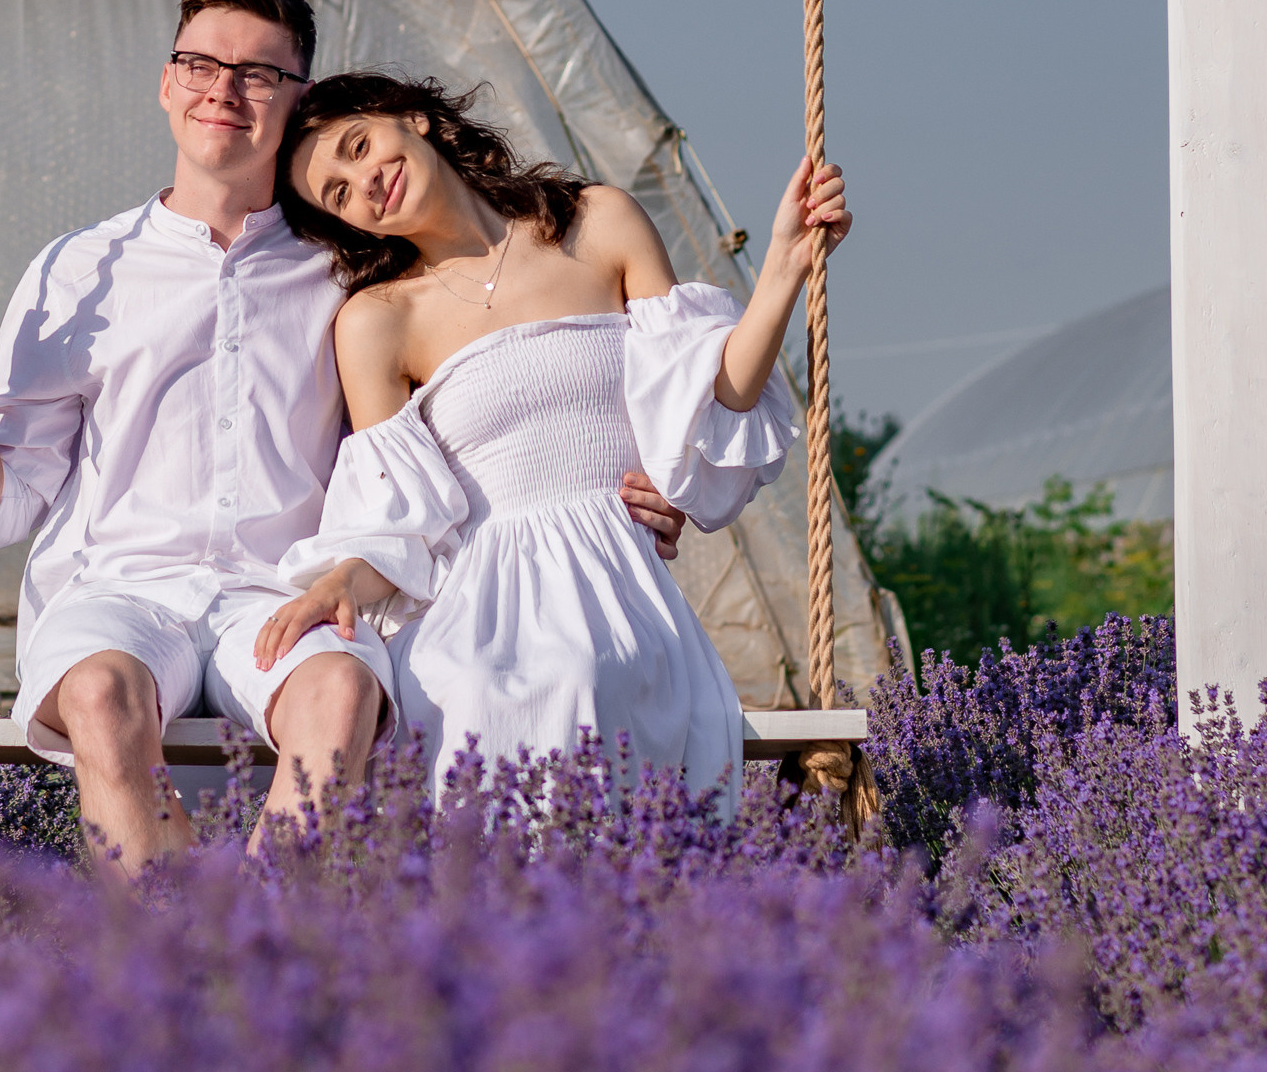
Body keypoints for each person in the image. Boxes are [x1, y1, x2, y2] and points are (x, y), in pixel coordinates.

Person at [0, 0, 704, 871]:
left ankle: (262, 949)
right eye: (200, 64)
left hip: (283, 596)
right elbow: (5, 504)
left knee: (342, 693)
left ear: (298, 100)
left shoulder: (356, 273)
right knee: (99, 694)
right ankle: (164, 969)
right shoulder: (78, 271)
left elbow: (508, 370)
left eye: (256, 73)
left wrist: (626, 485)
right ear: (167, 85)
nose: (223, 90)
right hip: (119, 592)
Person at [255, 74, 852, 808]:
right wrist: (343, 579)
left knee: (594, 674)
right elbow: (394, 519)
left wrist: (786, 264)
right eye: (338, 194)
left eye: (359, 146)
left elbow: (711, 396)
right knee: (479, 696)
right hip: (481, 601)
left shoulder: (598, 224)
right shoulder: (378, 320)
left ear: (415, 119)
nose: (365, 182)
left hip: (616, 579)